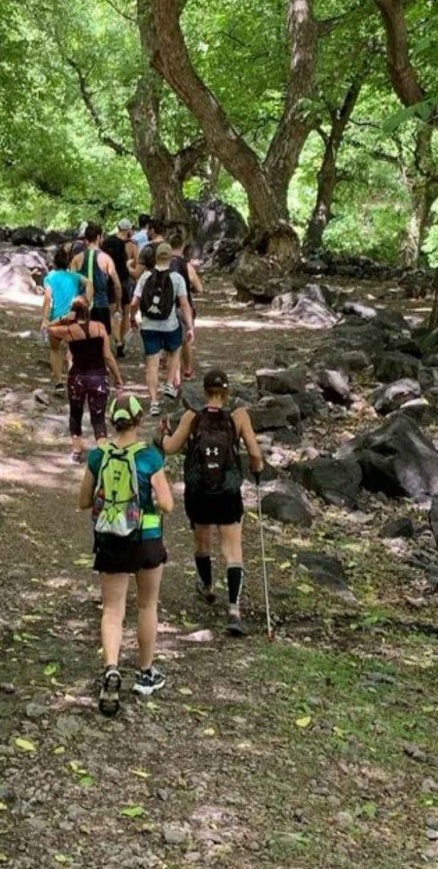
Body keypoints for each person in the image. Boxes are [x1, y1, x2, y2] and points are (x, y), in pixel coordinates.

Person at [78, 394, 172, 715]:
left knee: (113, 608)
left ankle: (111, 668)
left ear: (112, 420)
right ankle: (145, 673)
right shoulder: (150, 457)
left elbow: (83, 501)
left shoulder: (98, 455)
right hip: (147, 539)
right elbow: (168, 503)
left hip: (110, 539)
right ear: (139, 420)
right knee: (147, 605)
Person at [160, 370, 265, 636]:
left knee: (202, 542)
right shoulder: (238, 417)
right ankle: (233, 610)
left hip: (199, 493)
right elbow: (254, 453)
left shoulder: (191, 417)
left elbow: (170, 447)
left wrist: (159, 436)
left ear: (205, 391)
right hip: (227, 493)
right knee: (232, 550)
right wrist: (257, 468)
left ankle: (207, 587)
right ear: (227, 392)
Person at [49, 297, 126, 463]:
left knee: (75, 414)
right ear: (88, 310)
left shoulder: (69, 330)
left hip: (77, 377)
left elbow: (48, 328)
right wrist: (117, 377)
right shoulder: (99, 327)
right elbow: (108, 356)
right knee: (98, 417)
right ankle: (103, 450)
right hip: (98, 376)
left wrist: (64, 318)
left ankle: (77, 451)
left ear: (73, 312)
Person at [129, 242, 195, 417]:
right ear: (171, 258)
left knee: (152, 365)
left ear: (156, 257)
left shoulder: (145, 277)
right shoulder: (177, 278)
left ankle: (153, 402)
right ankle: (169, 382)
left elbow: (134, 303)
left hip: (149, 326)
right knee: (175, 351)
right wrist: (190, 326)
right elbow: (184, 304)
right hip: (170, 325)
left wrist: (132, 318)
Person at [41, 246, 87, 391]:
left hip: (57, 320)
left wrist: (45, 319)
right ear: (68, 263)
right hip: (73, 318)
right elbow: (90, 284)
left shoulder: (50, 278)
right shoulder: (76, 277)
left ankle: (59, 382)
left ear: (54, 263)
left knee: (54, 349)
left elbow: (48, 298)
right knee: (72, 351)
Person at [69, 221, 122, 334]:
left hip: (82, 305)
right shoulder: (106, 259)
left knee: (81, 340)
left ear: (86, 238)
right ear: (99, 237)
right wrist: (118, 306)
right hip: (101, 305)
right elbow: (117, 285)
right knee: (101, 340)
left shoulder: (76, 259)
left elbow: (71, 284)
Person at [166, 230, 204, 383]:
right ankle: (187, 370)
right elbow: (199, 288)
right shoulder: (186, 266)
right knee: (186, 340)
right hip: (184, 306)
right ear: (182, 247)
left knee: (170, 344)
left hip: (166, 307)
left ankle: (173, 378)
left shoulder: (163, 265)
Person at [100, 220, 140, 358]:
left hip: (110, 280)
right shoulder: (132, 245)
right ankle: (121, 343)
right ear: (128, 230)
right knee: (126, 313)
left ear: (118, 228)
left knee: (114, 313)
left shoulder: (107, 242)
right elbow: (137, 262)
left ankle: (116, 340)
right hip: (125, 281)